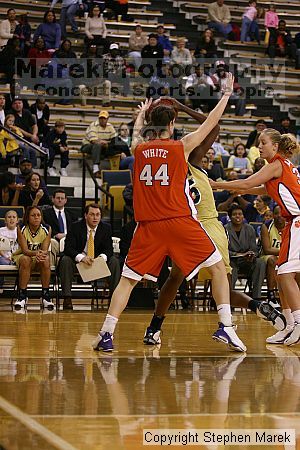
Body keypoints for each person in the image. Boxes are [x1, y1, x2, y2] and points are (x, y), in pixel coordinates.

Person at [92, 74, 247, 354]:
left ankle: (106, 334)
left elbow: (134, 136)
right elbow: (212, 122)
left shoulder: (139, 150)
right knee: (217, 270)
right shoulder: (181, 146)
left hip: (147, 226)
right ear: (172, 124)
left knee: (127, 281)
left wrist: (140, 116)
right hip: (179, 222)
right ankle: (225, 325)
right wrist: (225, 95)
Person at [141, 100, 285, 345]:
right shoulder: (187, 155)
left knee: (177, 278)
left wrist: (154, 116)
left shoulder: (164, 158)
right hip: (200, 224)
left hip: (186, 224)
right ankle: (240, 316)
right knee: (219, 285)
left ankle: (155, 327)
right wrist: (181, 107)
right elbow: (213, 127)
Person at [210, 129, 300, 346]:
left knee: (286, 275)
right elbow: (267, 190)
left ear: (275, 147)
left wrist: (218, 185)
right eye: (259, 143)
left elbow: (246, 183)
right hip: (292, 222)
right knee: (280, 275)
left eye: (263, 143)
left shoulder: (276, 164)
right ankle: (288, 324)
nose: (259, 146)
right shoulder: (280, 167)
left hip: (298, 220)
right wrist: (242, 191)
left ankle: (298, 323)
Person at [59, 204, 120, 310]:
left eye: (98, 215)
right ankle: (67, 298)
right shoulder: (75, 226)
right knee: (65, 260)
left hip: (97, 261)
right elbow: (68, 248)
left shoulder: (106, 228)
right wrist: (81, 257)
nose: (95, 217)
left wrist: (101, 258)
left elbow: (108, 249)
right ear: (85, 215)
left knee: (114, 261)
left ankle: (113, 298)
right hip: (79, 261)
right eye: (92, 214)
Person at [12, 206, 54, 310]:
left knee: (46, 259)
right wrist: (37, 253)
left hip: (38, 257)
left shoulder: (47, 228)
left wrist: (41, 255)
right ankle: (22, 296)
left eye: (38, 215)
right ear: (27, 217)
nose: (36, 217)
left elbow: (44, 250)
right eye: (33, 215)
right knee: (26, 259)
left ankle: (45, 296)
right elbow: (25, 250)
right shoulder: (21, 228)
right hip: (22, 256)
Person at [225, 204, 266, 299]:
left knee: (260, 262)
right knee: (231, 267)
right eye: (235, 214)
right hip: (232, 260)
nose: (238, 216)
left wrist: (251, 255)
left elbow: (254, 249)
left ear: (243, 216)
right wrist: (237, 254)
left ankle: (257, 297)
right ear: (230, 217)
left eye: (240, 214)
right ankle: (230, 297)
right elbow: (224, 250)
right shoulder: (225, 229)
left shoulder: (249, 229)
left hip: (247, 260)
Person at [260, 205, 285, 303]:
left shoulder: (291, 226)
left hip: (285, 256)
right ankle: (271, 294)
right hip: (267, 257)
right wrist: (284, 252)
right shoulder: (266, 226)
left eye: (281, 213)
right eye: (276, 213)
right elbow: (267, 250)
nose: (279, 216)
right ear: (272, 215)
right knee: (273, 260)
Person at [43, 189, 75, 265]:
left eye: (62, 198)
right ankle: (52, 271)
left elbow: (75, 230)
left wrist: (67, 236)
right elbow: (44, 228)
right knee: (51, 243)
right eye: (58, 198)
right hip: (54, 240)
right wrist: (55, 235)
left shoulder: (72, 215)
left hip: (69, 240)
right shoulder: (46, 214)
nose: (60, 200)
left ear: (65, 200)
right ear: (53, 199)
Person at [8, 99, 39, 166]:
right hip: (16, 139)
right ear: (12, 105)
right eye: (15, 103)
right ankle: (24, 167)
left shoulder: (27, 112)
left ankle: (33, 168)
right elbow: (18, 129)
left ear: (22, 104)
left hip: (27, 139)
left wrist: (34, 134)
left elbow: (34, 125)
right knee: (26, 149)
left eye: (19, 103)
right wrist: (31, 136)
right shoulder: (10, 114)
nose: (17, 105)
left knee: (33, 150)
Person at [0, 210, 19, 293]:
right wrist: (5, 256)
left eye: (14, 217)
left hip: (16, 256)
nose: (11, 219)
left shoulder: (20, 231)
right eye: (9, 217)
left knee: (24, 262)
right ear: (5, 220)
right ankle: (0, 285)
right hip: (3, 256)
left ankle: (20, 287)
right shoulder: (1, 231)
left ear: (17, 220)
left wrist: (14, 257)